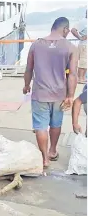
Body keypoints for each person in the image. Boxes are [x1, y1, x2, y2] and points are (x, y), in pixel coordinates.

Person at [23, 17, 78, 168]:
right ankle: (53, 151)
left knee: (40, 126)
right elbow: (72, 74)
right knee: (56, 124)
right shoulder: (70, 47)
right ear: (65, 29)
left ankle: (44, 158)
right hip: (60, 94)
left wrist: (26, 85)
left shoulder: (36, 45)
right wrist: (70, 96)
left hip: (40, 93)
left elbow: (29, 69)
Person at [71, 10, 87, 84]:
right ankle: (80, 78)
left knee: (85, 62)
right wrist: (80, 37)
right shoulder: (83, 21)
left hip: (85, 45)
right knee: (83, 61)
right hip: (84, 45)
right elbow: (73, 30)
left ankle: (82, 78)